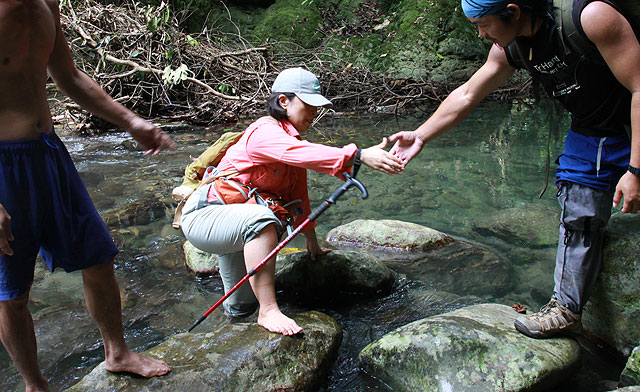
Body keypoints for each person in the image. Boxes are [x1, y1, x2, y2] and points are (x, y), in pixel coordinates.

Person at [389, 0, 640, 339]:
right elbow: (467, 94)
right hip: (592, 131)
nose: (480, 34)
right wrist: (420, 135)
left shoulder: (589, 18)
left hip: (634, 120)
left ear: (514, 10)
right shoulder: (509, 49)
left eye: (484, 23)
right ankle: (565, 309)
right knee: (577, 212)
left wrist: (635, 170)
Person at [0, 1, 176, 390]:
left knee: (98, 256)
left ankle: (117, 353)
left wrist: (131, 121)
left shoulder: (48, 3)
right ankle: (35, 384)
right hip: (3, 169)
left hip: (48, 153)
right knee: (12, 291)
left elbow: (69, 76)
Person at [180, 67, 403, 336]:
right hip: (205, 216)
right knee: (263, 222)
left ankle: (232, 331)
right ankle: (269, 311)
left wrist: (312, 242)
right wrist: (357, 155)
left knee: (240, 309)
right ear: (284, 101)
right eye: (308, 104)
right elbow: (298, 152)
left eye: (316, 107)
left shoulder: (292, 145)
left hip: (235, 229)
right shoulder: (264, 131)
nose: (314, 112)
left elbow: (300, 201)